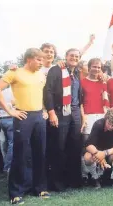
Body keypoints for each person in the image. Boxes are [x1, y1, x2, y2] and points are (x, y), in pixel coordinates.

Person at [0, 48, 50, 204]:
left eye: (42, 60)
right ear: (29, 59)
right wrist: (10, 110)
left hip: (39, 116)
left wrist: (44, 109)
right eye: (38, 60)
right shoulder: (14, 72)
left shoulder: (41, 75)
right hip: (23, 116)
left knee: (40, 153)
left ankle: (40, 188)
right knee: (21, 154)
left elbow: (40, 94)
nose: (41, 63)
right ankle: (16, 193)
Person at [44, 48, 84, 191]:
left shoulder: (78, 73)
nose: (74, 57)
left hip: (75, 112)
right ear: (66, 57)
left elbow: (79, 97)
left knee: (74, 146)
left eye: (77, 56)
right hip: (60, 112)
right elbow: (48, 91)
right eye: (71, 55)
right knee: (59, 147)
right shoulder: (56, 70)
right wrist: (51, 112)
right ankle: (57, 183)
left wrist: (81, 115)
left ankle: (73, 181)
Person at [83, 108, 113, 188]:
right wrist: (98, 154)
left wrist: (104, 153)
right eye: (109, 123)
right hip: (97, 152)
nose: (110, 127)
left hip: (112, 154)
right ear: (105, 118)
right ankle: (95, 178)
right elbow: (88, 144)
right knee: (87, 157)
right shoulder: (98, 124)